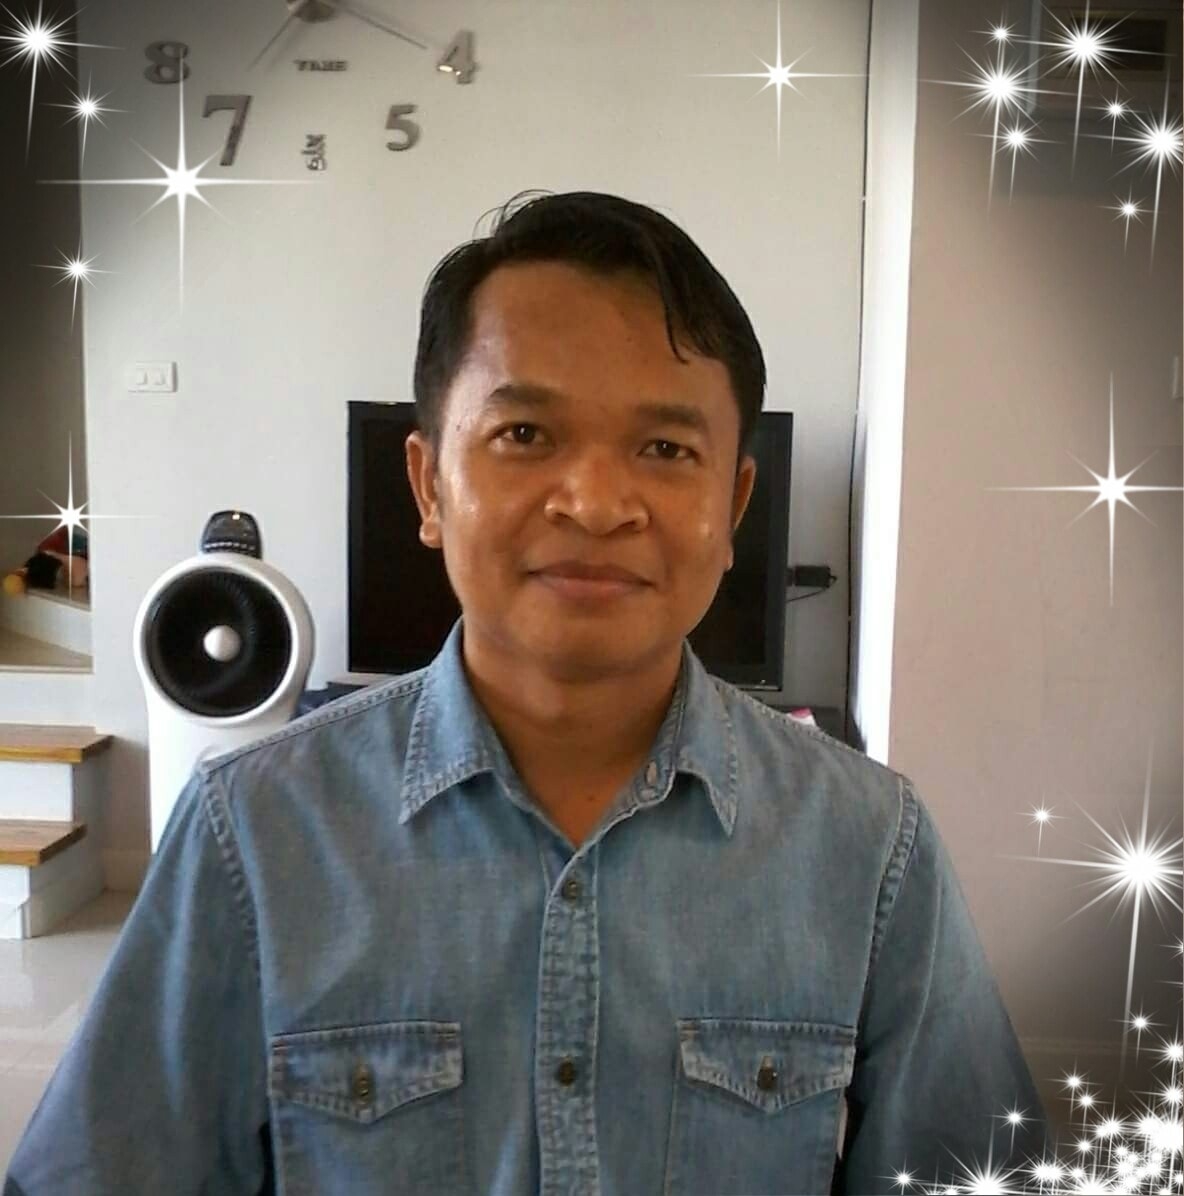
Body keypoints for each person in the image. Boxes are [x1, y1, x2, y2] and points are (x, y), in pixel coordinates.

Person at [4, 190, 1049, 1195]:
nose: (595, 503)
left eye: (665, 447)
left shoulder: (869, 848)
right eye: (524, 435)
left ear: (732, 504)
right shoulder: (255, 834)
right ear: (429, 485)